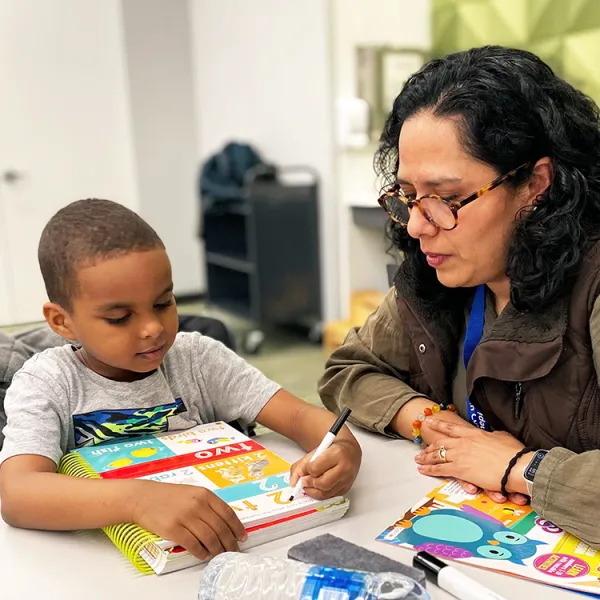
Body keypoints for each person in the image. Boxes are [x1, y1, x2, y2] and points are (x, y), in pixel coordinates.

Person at [319, 45, 600, 548]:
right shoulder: (448, 268)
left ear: (536, 184)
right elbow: (348, 370)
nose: (421, 226)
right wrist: (430, 420)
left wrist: (521, 468)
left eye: (448, 199)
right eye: (408, 196)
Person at [0, 199, 361, 560]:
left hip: (223, 554)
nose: (153, 328)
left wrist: (343, 450)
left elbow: (300, 417)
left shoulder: (198, 360)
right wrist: (137, 500)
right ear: (62, 321)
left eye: (163, 303)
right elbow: (18, 494)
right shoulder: (47, 382)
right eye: (120, 317)